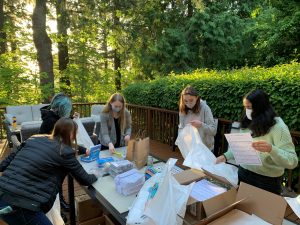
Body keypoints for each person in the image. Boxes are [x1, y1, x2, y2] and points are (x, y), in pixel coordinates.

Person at [0, 118, 97, 225]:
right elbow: (86, 180)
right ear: (71, 134)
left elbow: (5, 163)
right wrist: (97, 174)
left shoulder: (33, 139)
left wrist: (83, 150)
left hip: (3, 193)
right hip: (22, 205)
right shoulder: (65, 152)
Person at [216, 89, 298, 194]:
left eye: (249, 107)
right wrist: (225, 156)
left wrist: (272, 149)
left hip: (267, 180)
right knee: (242, 208)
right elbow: (242, 146)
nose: (247, 111)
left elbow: (292, 161)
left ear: (261, 107)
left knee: (263, 210)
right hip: (244, 173)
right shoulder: (247, 121)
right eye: (245, 107)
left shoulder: (278, 127)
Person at [39, 93, 85, 212]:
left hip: (51, 153)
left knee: (58, 180)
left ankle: (60, 203)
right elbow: (63, 143)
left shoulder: (53, 117)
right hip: (47, 157)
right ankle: (57, 206)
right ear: (62, 108)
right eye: (68, 110)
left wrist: (71, 119)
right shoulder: (50, 122)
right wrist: (83, 149)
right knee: (55, 181)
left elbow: (61, 123)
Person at [178, 86, 217, 151]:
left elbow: (213, 131)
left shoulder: (205, 108)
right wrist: (183, 136)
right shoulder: (183, 109)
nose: (188, 103)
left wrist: (201, 125)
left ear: (196, 98)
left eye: (191, 100)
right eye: (185, 101)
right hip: (190, 148)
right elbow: (181, 127)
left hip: (205, 149)